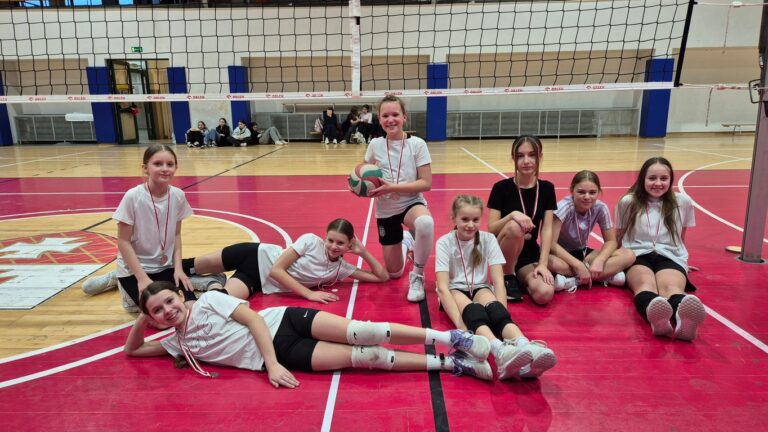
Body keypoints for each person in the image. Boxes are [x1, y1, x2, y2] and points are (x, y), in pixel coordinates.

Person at [125, 281, 496, 385]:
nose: (167, 310)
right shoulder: (177, 341)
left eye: (169, 301)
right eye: (158, 311)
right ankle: (452, 364)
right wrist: (143, 318)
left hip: (284, 324)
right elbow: (134, 351)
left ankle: (452, 339)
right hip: (286, 354)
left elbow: (254, 321)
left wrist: (271, 365)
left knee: (366, 332)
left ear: (180, 296)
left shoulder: (207, 301)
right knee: (369, 357)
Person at [436, 195, 557, 380]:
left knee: (496, 310)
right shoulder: (444, 242)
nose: (470, 225)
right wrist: (463, 327)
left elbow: (499, 282)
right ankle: (499, 351)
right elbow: (443, 288)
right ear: (454, 219)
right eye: (465, 219)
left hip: (480, 287)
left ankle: (525, 346)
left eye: (475, 220)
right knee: (474, 312)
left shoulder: (488, 239)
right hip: (454, 290)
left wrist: (502, 314)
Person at [181, 219, 389, 304]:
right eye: (330, 240)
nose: (334, 246)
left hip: (255, 280)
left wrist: (363, 252)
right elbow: (276, 270)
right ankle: (200, 278)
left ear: (349, 244)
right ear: (325, 237)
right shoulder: (310, 241)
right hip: (252, 254)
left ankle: (210, 282)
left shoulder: (340, 269)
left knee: (215, 303)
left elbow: (382, 277)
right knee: (183, 266)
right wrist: (309, 294)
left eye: (340, 243)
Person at [94, 144, 197, 308]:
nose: (165, 169)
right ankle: (119, 280)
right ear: (145, 168)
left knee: (191, 306)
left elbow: (176, 235)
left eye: (170, 164)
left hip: (165, 267)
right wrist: (142, 278)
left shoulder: (178, 196)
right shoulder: (133, 197)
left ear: (176, 168)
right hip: (135, 269)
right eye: (158, 164)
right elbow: (123, 242)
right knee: (160, 313)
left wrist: (178, 268)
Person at [615, 157, 705, 341]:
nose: (658, 183)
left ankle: (682, 318)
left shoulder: (683, 201)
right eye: (652, 178)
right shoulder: (628, 201)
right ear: (642, 179)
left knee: (671, 288)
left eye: (663, 178)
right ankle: (656, 317)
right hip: (637, 255)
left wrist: (682, 260)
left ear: (671, 180)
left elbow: (681, 236)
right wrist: (614, 261)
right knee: (645, 285)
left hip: (670, 255)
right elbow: (619, 235)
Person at [360, 95, 434, 303]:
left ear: (404, 117)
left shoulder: (417, 144)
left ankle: (417, 276)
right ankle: (407, 241)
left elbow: (426, 183)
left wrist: (392, 187)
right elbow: (364, 171)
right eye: (385, 116)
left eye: (395, 114)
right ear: (379, 118)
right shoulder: (375, 144)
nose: (390, 120)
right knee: (394, 273)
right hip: (386, 210)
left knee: (425, 223)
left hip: (411, 203)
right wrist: (358, 184)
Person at [487, 135, 557, 305]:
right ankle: (506, 276)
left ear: (540, 157)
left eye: (532, 155)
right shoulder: (501, 188)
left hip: (528, 254)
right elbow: (492, 229)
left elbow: (547, 229)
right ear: (513, 158)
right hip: (503, 252)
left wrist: (542, 264)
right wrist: (512, 215)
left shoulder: (547, 188)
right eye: (520, 156)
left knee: (544, 293)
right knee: (514, 227)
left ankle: (521, 279)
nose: (526, 161)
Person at [549, 170, 636, 292]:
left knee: (629, 255)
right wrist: (578, 265)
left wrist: (600, 261)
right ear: (572, 190)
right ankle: (602, 276)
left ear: (599, 192)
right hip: (562, 255)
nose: (587, 197)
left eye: (592, 192)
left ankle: (574, 280)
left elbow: (611, 241)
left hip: (584, 253)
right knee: (547, 261)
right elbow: (551, 244)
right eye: (581, 192)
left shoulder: (601, 208)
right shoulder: (563, 208)